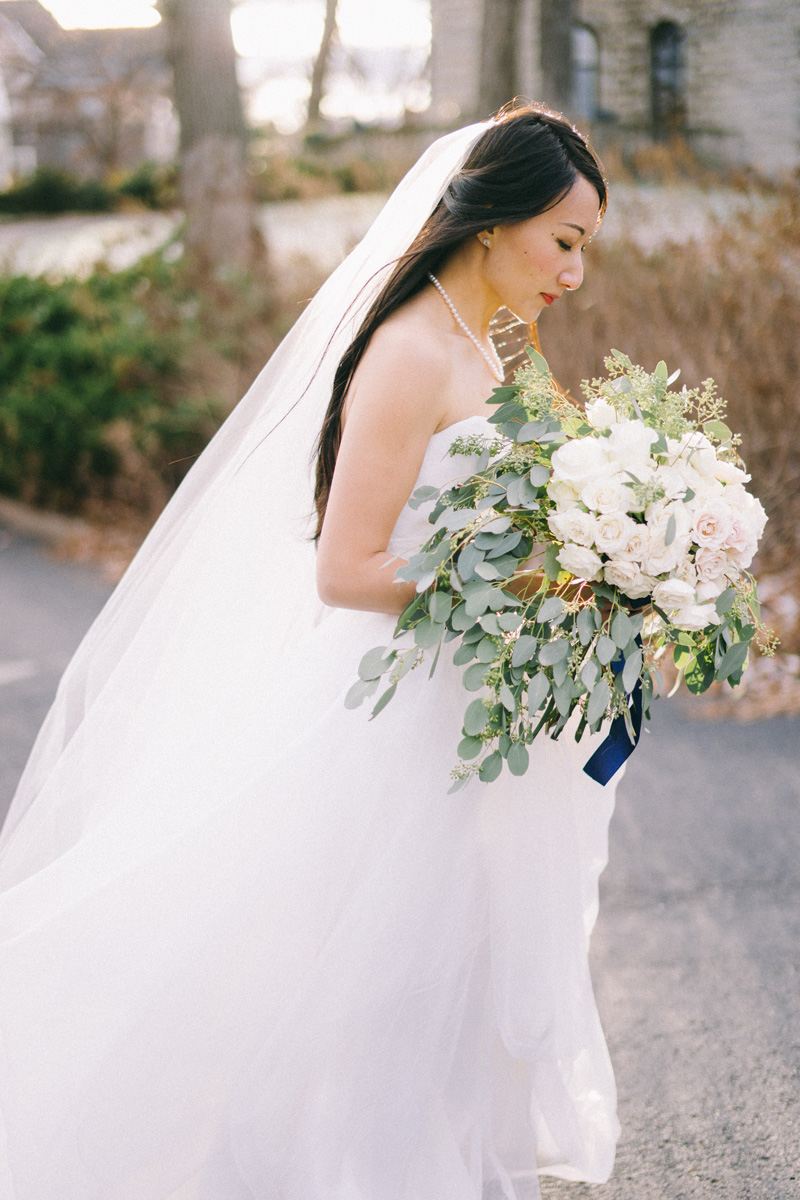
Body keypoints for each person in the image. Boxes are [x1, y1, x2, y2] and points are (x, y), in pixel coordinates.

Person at [0, 104, 619, 1200]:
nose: (573, 272)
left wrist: (617, 566)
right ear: (493, 224)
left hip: (475, 713)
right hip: (391, 720)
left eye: (583, 250)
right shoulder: (407, 350)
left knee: (461, 963)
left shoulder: (495, 349)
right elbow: (345, 569)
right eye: (563, 241)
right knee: (376, 970)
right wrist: (515, 599)